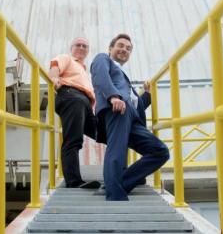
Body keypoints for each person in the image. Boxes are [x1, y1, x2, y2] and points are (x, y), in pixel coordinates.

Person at [90, 33, 169, 201]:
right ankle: (115, 196)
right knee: (117, 151)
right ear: (110, 48)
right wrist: (113, 96)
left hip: (131, 116)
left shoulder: (123, 77)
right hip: (117, 109)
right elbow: (100, 77)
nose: (124, 49)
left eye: (128, 48)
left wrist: (147, 95)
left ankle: (120, 184)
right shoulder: (103, 59)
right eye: (120, 45)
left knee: (160, 151)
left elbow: (135, 104)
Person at [49, 37, 100, 189]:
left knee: (103, 133)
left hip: (85, 103)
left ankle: (120, 171)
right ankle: (73, 181)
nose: (82, 47)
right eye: (78, 45)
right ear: (71, 48)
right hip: (71, 96)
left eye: (85, 46)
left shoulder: (83, 70)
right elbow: (55, 65)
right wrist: (54, 78)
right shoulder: (67, 58)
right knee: (73, 139)